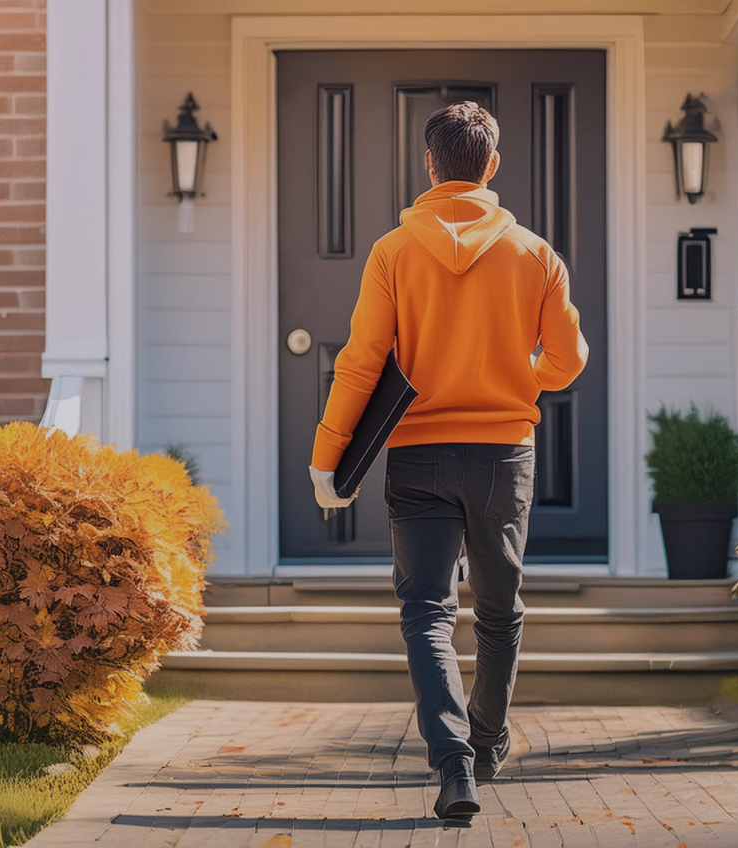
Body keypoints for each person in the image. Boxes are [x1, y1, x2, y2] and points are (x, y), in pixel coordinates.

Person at [307, 101, 587, 819]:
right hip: (503, 454)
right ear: (491, 167)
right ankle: (488, 740)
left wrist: (327, 455)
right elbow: (568, 359)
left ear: (430, 165)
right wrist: (520, 377)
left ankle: (453, 762)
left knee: (427, 611)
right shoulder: (534, 252)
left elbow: (362, 362)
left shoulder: (393, 252)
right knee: (499, 608)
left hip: (418, 455)